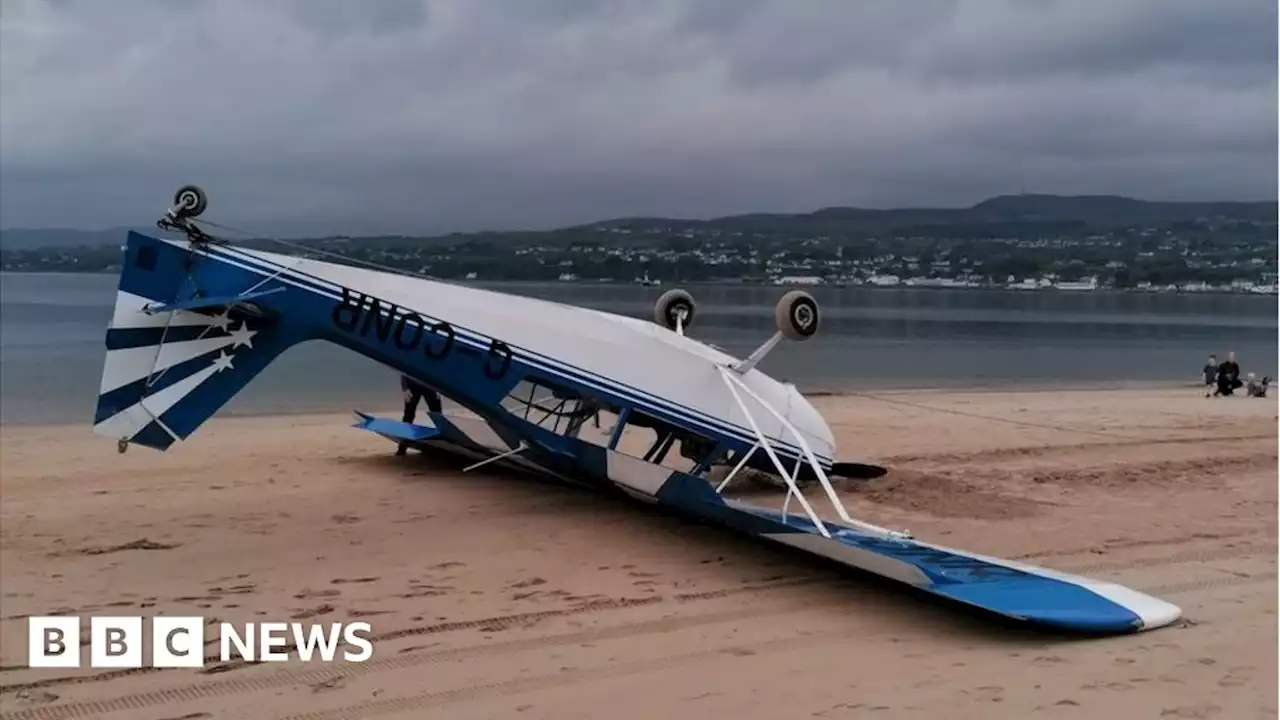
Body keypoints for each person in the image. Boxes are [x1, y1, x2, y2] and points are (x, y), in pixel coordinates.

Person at [396, 374, 443, 456]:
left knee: (438, 416)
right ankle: (402, 448)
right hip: (412, 385)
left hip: (430, 384)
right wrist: (405, 388)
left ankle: (444, 445)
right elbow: (404, 369)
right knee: (408, 416)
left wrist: (439, 387)